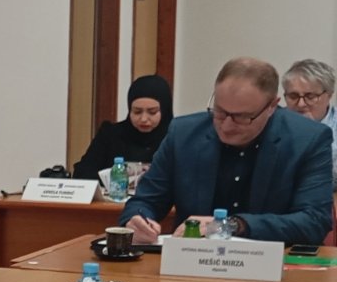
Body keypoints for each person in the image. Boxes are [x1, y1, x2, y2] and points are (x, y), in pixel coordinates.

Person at [121, 57, 334, 245]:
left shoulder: (307, 139)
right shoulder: (184, 134)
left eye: (242, 117)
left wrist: (233, 225)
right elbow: (145, 201)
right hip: (192, 261)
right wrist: (138, 221)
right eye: (220, 112)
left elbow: (314, 221)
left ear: (272, 106)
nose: (227, 125)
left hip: (275, 264)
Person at [73, 75, 173, 180]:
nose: (143, 119)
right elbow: (82, 172)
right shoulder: (110, 134)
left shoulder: (175, 138)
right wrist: (116, 175)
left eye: (152, 112)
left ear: (164, 111)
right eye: (137, 111)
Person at [282, 59, 337, 179]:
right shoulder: (274, 123)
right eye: (293, 96)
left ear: (329, 95)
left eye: (310, 96)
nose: (301, 104)